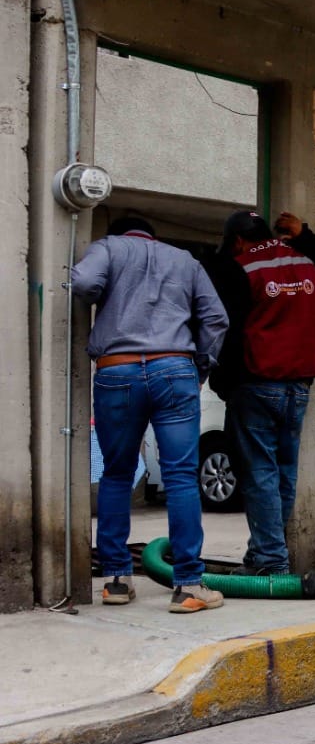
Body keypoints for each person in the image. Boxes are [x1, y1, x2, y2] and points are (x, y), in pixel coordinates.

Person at [71, 216, 229, 612]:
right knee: (179, 475)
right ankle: (190, 586)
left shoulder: (107, 248)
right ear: (151, 236)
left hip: (117, 368)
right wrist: (201, 366)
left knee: (117, 472)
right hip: (174, 367)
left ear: (122, 233)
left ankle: (117, 581)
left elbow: (85, 283)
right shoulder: (184, 260)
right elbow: (215, 318)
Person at [206, 210, 315, 576]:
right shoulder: (306, 260)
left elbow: (227, 330)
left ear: (237, 240)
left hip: (256, 383)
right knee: (282, 473)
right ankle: (264, 555)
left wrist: (222, 382)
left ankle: (270, 562)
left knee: (259, 475)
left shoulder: (239, 266)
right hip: (299, 384)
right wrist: (305, 236)